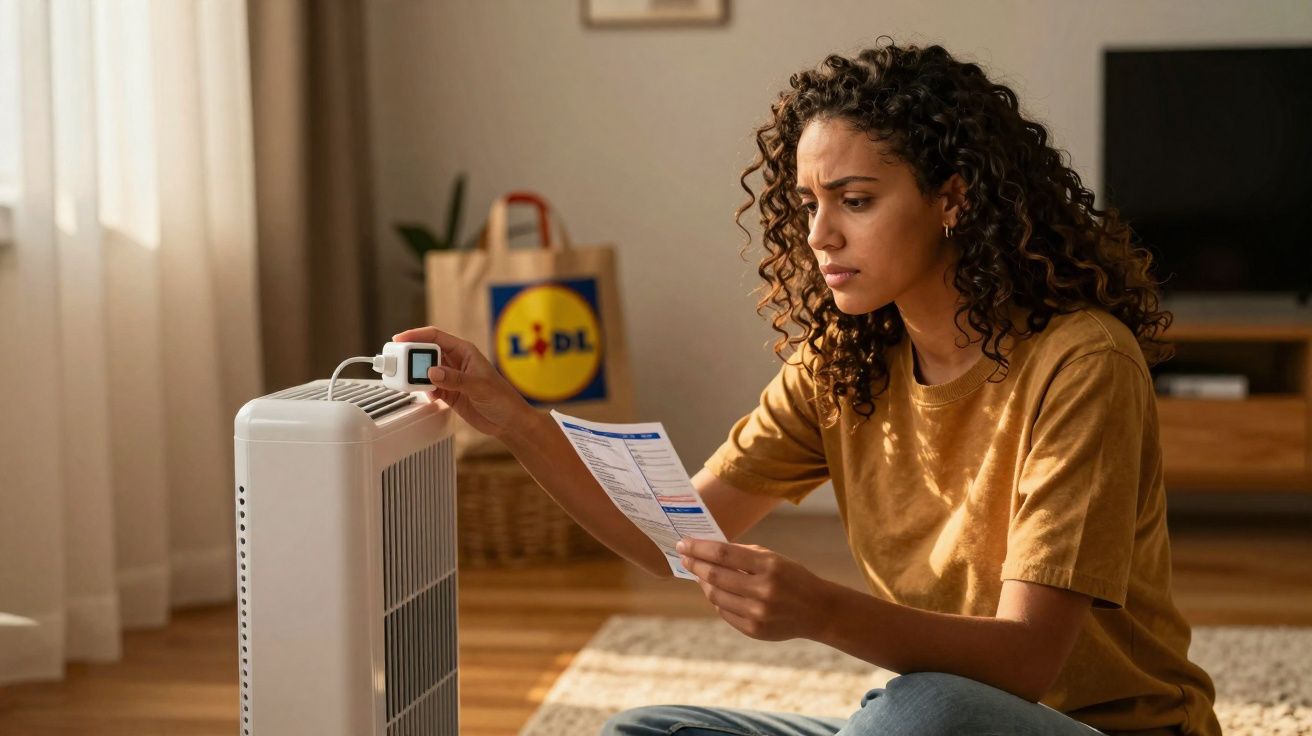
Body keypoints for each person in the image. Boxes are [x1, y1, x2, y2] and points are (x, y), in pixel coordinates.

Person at [394, 38, 1221, 736]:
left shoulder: (1081, 364)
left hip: (1090, 728)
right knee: (645, 733)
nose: (821, 236)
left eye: (855, 201)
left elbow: (1027, 659)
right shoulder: (845, 363)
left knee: (919, 711)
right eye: (809, 203)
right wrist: (511, 415)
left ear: (953, 202)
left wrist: (822, 612)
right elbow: (670, 536)